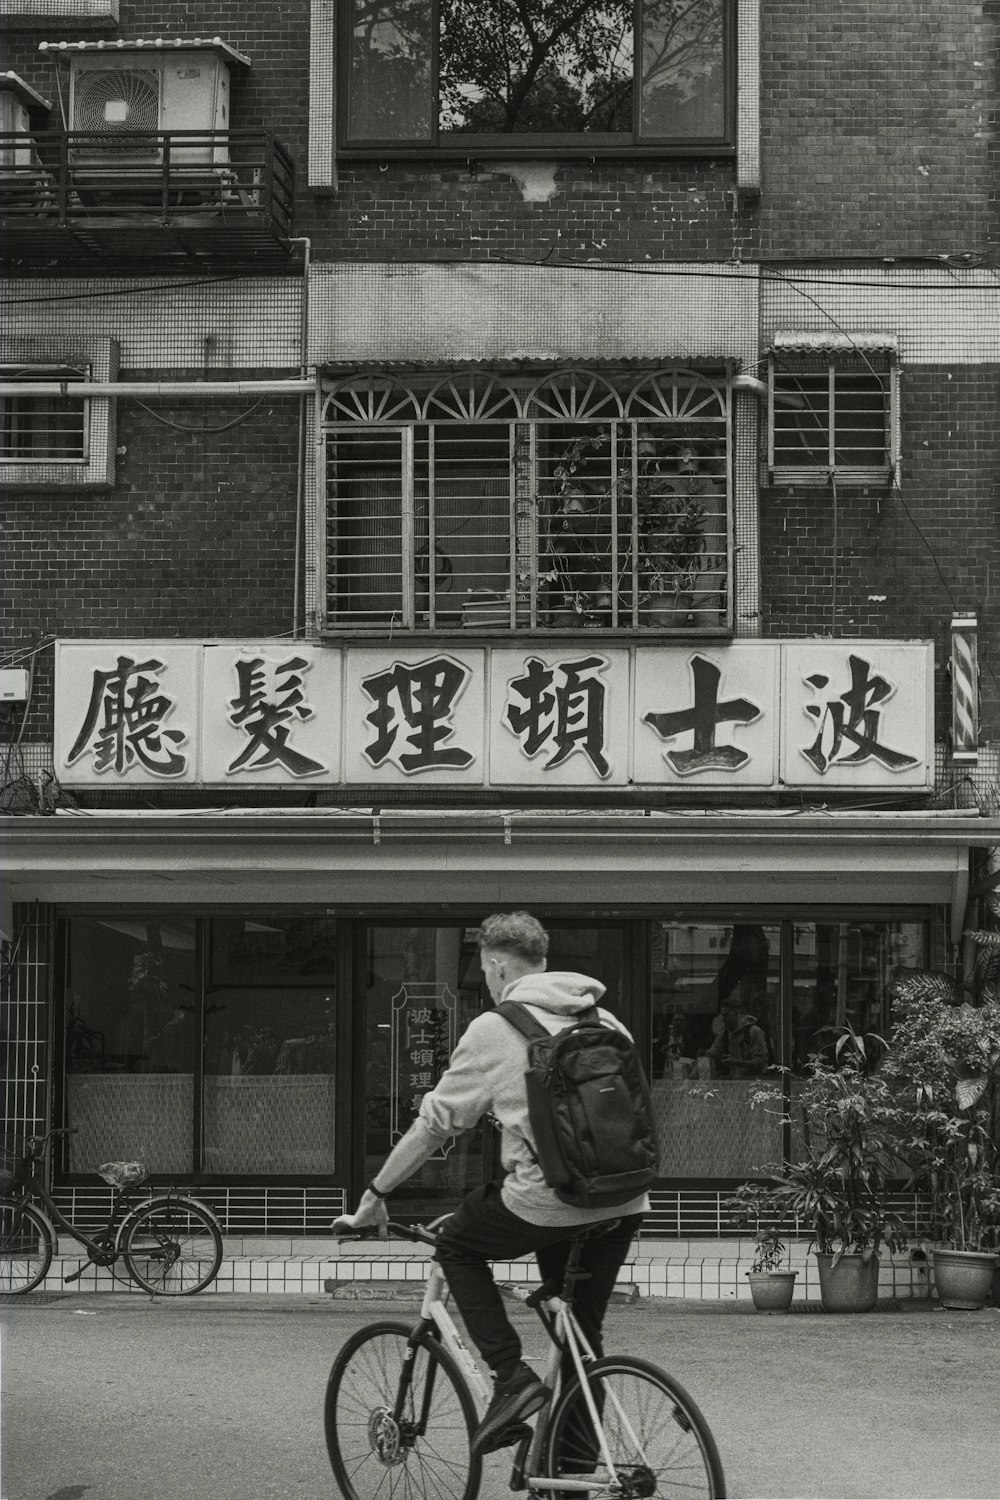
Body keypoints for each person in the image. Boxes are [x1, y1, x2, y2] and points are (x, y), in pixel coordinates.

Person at [334, 911, 648, 1458]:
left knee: (457, 1244)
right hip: (622, 1197)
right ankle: (570, 1481)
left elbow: (436, 1124)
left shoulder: (495, 1028)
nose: (486, 981)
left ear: (498, 965)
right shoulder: (608, 1022)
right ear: (542, 962)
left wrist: (375, 1195)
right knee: (579, 1340)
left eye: (484, 970)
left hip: (548, 1200)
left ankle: (510, 1378)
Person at [705, 998, 769, 1078]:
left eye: (727, 1015)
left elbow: (760, 1063)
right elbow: (713, 1052)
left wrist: (736, 1062)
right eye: (723, 1016)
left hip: (754, 1081)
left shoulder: (754, 1031)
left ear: (737, 1013)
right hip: (735, 1080)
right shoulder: (725, 1033)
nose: (724, 1019)